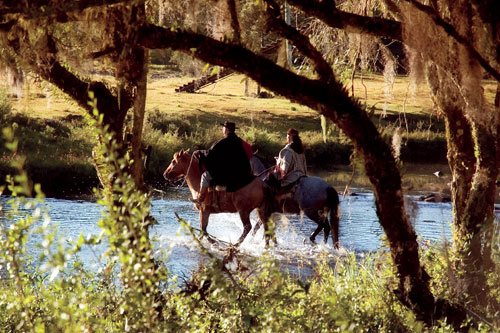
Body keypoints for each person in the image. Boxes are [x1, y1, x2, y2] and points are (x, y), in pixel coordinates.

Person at [191, 121, 254, 204]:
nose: (222, 129)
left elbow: (210, 153)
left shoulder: (223, 142)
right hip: (240, 172)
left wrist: (200, 152)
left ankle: (200, 198)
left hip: (227, 173)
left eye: (223, 127)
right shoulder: (239, 142)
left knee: (205, 176)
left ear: (226, 129)